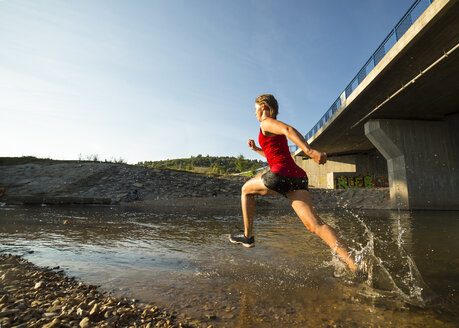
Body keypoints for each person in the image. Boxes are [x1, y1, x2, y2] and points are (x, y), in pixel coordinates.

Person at [229, 94, 359, 273]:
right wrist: (256, 149)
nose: (255, 113)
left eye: (255, 109)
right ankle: (355, 264)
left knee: (245, 190)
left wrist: (310, 151)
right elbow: (274, 156)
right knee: (315, 225)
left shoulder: (266, 123)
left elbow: (288, 130)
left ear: (264, 107)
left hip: (280, 174)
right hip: (296, 176)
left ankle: (248, 236)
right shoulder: (271, 131)